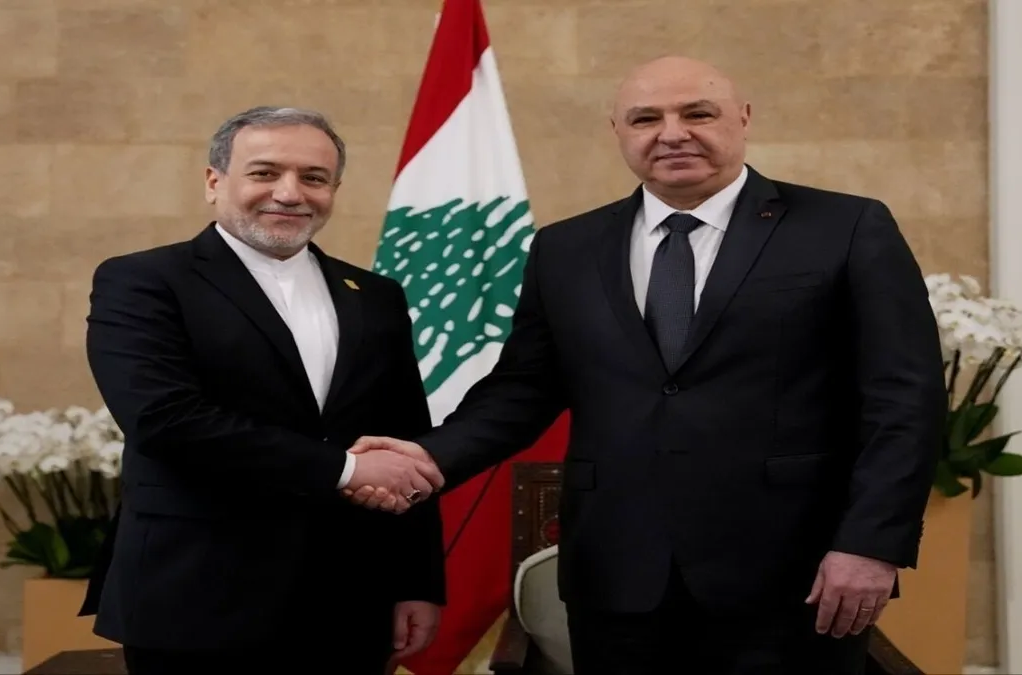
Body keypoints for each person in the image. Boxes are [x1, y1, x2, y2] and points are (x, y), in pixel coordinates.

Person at [346, 57, 947, 674]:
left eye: (698, 113)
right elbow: (523, 390)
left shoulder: (845, 227)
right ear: (617, 131)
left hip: (796, 576)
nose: (672, 134)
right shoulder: (566, 248)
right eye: (646, 119)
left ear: (743, 118)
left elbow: (906, 399)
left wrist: (871, 543)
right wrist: (428, 457)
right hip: (618, 576)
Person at [79, 106, 447, 674]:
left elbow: (404, 439)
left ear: (334, 190)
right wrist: (345, 470)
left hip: (351, 601)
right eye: (265, 172)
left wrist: (417, 581)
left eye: (314, 177)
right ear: (214, 181)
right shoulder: (143, 281)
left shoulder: (376, 295)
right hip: (196, 598)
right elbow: (165, 420)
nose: (290, 193)